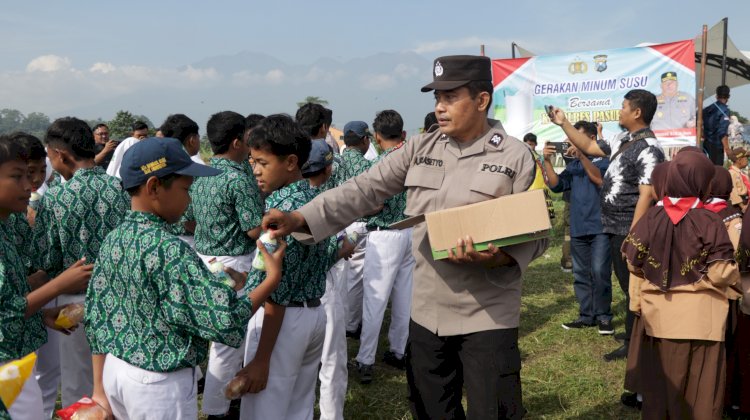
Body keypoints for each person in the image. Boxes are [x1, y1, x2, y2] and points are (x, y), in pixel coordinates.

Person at [261, 55, 548, 419]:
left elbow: (536, 232)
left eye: (450, 98)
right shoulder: (420, 148)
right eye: (436, 98)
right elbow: (363, 189)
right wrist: (301, 217)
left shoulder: (517, 156)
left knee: (492, 412)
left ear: (481, 100)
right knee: (430, 410)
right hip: (427, 311)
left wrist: (499, 257)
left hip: (487, 314)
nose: (439, 108)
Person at [83, 137, 285, 419]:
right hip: (158, 383)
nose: (189, 199)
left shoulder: (115, 239)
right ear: (154, 186)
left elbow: (96, 315)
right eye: (185, 189)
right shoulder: (168, 248)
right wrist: (268, 280)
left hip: (117, 371)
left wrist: (98, 389)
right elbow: (225, 318)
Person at [237, 114, 343, 419]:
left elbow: (277, 290)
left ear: (291, 161)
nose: (255, 170)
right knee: (298, 407)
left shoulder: (280, 210)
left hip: (280, 322)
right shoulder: (314, 199)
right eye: (252, 161)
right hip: (313, 315)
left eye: (262, 162)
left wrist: (261, 358)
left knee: (264, 408)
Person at [549, 89, 665, 361]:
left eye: (624, 106)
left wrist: (633, 238)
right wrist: (563, 123)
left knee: (632, 289)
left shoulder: (649, 147)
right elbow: (589, 147)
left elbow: (648, 194)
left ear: (637, 112)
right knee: (628, 287)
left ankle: (636, 343)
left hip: (629, 231)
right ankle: (631, 336)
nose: (619, 110)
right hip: (614, 228)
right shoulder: (625, 139)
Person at [622, 151, 738, 419]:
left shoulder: (651, 217)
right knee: (701, 397)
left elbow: (631, 261)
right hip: (702, 322)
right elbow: (720, 272)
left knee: (660, 395)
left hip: (659, 320)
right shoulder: (709, 220)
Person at [31, 117, 131, 407]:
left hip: (73, 303)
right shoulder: (119, 189)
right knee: (117, 378)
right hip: (121, 297)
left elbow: (47, 259)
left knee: (78, 383)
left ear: (60, 155)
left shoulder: (56, 198)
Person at [0, 134, 93, 420]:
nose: (30, 185)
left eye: (33, 174)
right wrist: (60, 284)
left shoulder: (5, 228)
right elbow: (6, 311)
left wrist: (42, 316)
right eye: (17, 177)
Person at [187, 111, 264, 418]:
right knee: (228, 340)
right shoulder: (237, 179)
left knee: (214, 336)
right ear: (237, 142)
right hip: (234, 262)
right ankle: (218, 407)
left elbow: (189, 219)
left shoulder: (200, 174)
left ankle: (222, 397)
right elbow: (253, 229)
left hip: (204, 257)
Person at [352, 110, 415, 385]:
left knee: (375, 300)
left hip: (385, 234)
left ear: (377, 137)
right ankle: (398, 351)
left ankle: (365, 359)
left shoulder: (379, 164)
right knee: (404, 297)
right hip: (410, 229)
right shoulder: (412, 160)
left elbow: (375, 204)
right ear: (402, 134)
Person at [542, 121, 613, 333]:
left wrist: (582, 156)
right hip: (578, 228)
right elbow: (556, 185)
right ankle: (586, 315)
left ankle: (604, 317)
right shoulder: (573, 166)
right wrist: (546, 161)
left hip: (600, 227)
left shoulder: (604, 160)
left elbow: (597, 178)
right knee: (581, 273)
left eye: (576, 138)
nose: (571, 142)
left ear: (591, 139)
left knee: (600, 272)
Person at [302, 139, 353, 420]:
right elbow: (332, 249)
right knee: (332, 359)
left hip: (291, 295)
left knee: (298, 363)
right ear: (328, 167)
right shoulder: (329, 201)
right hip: (324, 284)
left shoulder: (285, 197)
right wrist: (344, 247)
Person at [337, 121, 374, 339]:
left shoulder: (337, 162)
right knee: (357, 277)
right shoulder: (366, 166)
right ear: (363, 140)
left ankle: (346, 319)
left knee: (342, 276)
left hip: (341, 223)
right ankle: (351, 324)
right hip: (359, 224)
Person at [702, 85, 732, 165]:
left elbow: (699, 123)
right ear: (728, 96)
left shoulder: (707, 109)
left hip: (706, 144)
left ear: (716, 96)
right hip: (716, 147)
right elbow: (722, 133)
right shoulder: (725, 111)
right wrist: (727, 149)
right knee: (716, 172)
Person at [728, 147, 750, 212]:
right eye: (746, 158)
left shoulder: (742, 173)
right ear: (739, 160)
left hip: (746, 202)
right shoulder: (732, 173)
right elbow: (733, 192)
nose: (747, 160)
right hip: (739, 206)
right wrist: (742, 206)